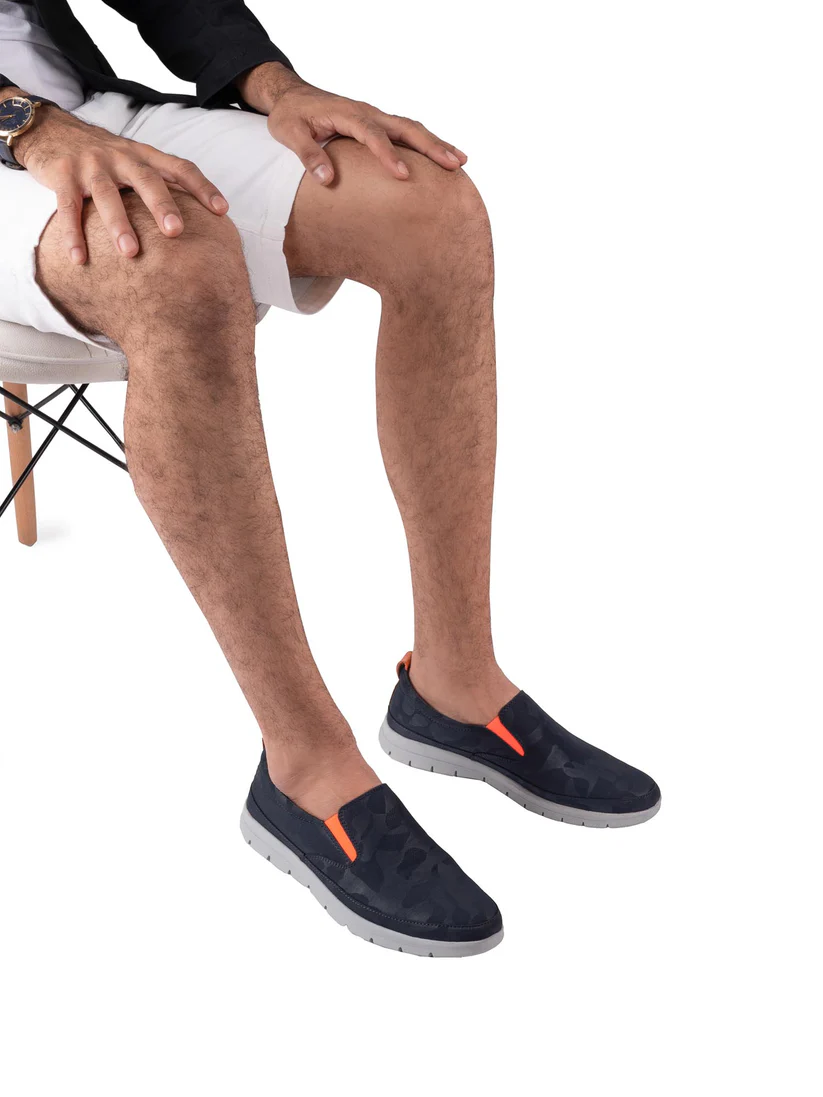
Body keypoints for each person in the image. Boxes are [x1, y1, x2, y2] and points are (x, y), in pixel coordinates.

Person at [0, 0, 660, 957]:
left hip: (85, 112)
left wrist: (273, 85)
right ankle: (305, 769)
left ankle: (455, 684)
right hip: (28, 137)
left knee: (428, 207)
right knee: (173, 264)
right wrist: (25, 126)